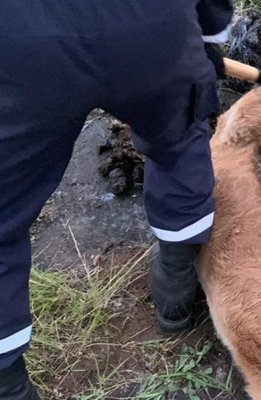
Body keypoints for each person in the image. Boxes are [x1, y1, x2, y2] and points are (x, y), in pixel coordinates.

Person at [0, 0, 232, 398]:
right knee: (178, 144)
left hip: (23, 40)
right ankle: (175, 289)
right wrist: (207, 39)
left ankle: (8, 384)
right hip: (153, 26)